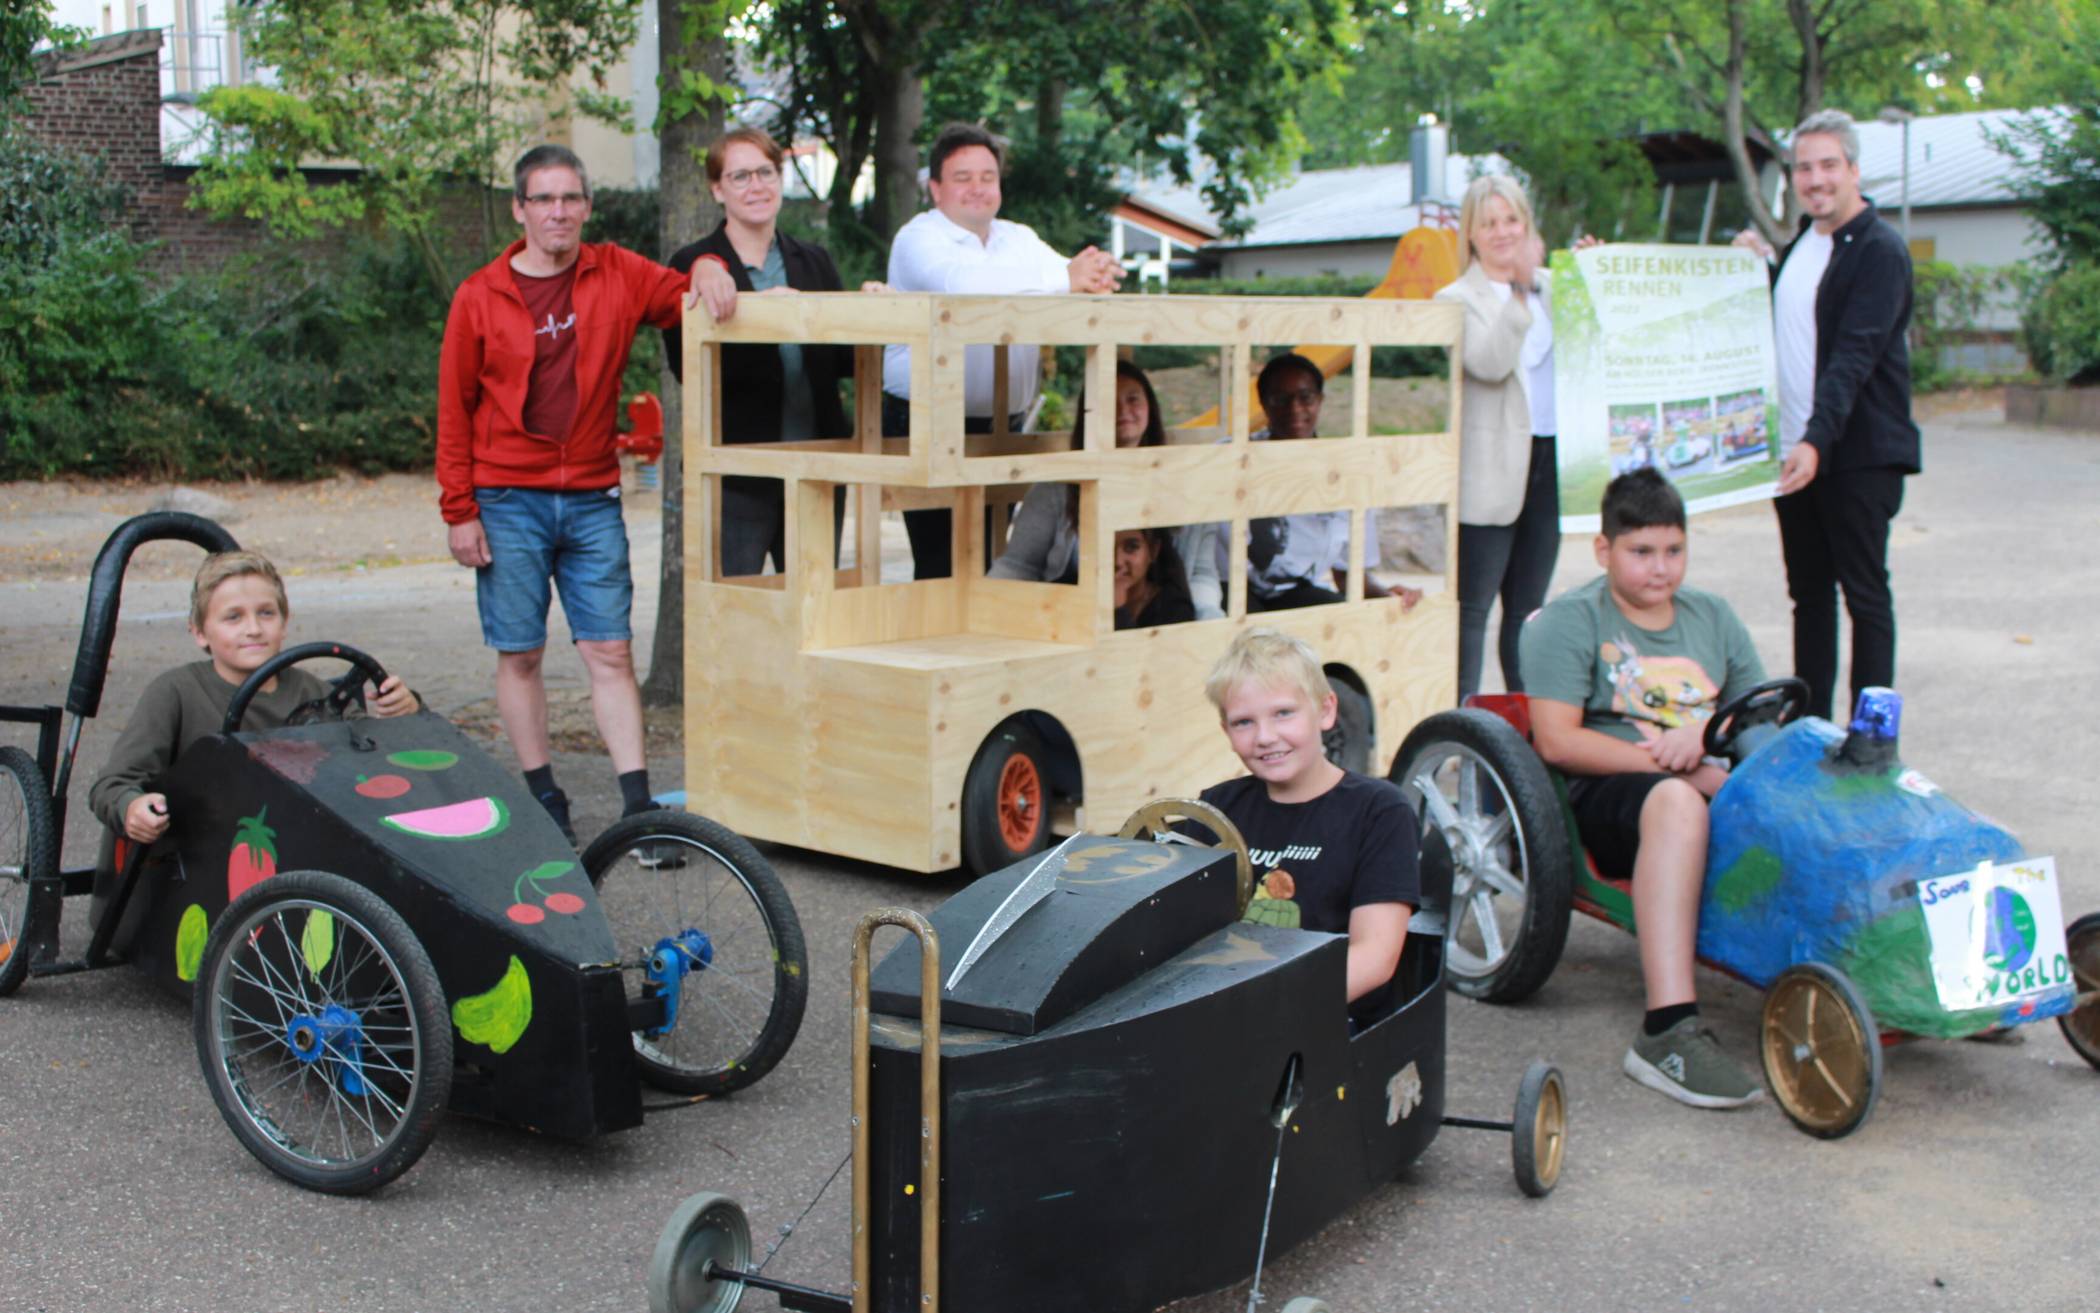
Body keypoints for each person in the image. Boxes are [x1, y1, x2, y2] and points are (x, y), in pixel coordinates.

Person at [436, 144, 709, 844]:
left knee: (609, 651)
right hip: (506, 498)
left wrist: (707, 265)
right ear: (520, 209)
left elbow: (685, 293)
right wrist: (459, 509)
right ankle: (543, 793)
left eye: (571, 199)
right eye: (544, 199)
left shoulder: (615, 271)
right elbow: (453, 408)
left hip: (591, 497)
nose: (559, 212)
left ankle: (638, 805)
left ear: (587, 206)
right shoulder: (479, 295)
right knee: (521, 652)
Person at [1518, 468, 1765, 1109]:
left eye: (1674, 550)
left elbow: (1759, 715)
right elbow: (1557, 741)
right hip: (1605, 796)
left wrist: (1707, 731)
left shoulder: (1712, 614)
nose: (1661, 569)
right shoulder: (1570, 622)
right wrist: (1673, 765)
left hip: (1701, 775)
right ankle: (1666, 1031)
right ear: (1604, 551)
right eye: (1642, 552)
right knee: (1680, 802)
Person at [87, 551, 419, 929]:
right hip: (208, 854)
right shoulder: (176, 692)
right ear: (199, 632)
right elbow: (112, 783)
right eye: (233, 617)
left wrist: (404, 712)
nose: (253, 629)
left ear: (284, 622)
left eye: (266, 613)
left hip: (306, 846)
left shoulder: (311, 689)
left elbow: (374, 758)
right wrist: (132, 807)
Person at [1733, 109, 1920, 722]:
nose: (1815, 179)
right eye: (1803, 168)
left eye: (1827, 165)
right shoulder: (1800, 249)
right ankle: (1809, 726)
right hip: (1796, 452)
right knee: (1807, 595)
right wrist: (1749, 268)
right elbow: (1787, 333)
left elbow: (1852, 358)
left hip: (1856, 453)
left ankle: (1871, 736)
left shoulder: (1879, 250)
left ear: (1853, 170)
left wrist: (1816, 440)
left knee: (1865, 596)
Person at [881, 123, 1123, 579]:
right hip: (926, 420)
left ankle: (980, 647)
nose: (977, 188)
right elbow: (968, 291)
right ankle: (942, 650)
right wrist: (1064, 280)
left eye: (987, 177)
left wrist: (1097, 270)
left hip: (1002, 424)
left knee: (995, 557)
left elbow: (1070, 278)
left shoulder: (1019, 239)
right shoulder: (919, 238)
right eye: (962, 177)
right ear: (935, 189)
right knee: (943, 561)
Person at [664, 126, 862, 576]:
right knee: (737, 619)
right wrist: (763, 319)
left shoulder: (814, 260)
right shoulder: (693, 264)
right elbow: (686, 366)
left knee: (812, 620)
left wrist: (869, 307)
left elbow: (843, 360)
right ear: (717, 189)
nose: (756, 186)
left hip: (815, 470)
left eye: (765, 172)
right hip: (736, 477)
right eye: (740, 177)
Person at [1198, 627, 1417, 1022]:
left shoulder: (1379, 811)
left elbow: (1374, 957)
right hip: (1231, 1013)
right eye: (1244, 722)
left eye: (1283, 713)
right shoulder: (1216, 808)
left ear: (1325, 710)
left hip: (1332, 1020)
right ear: (1226, 733)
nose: (1265, 737)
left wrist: (1272, 1009)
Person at [1436, 178, 1596, 699]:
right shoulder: (1456, 299)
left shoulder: (1555, 285)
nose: (1503, 232)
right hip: (1488, 474)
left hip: (1549, 462)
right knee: (1471, 612)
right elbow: (1487, 362)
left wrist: (1593, 277)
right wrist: (1522, 292)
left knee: (1527, 612)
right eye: (1489, 223)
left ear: (1528, 225)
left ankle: (1525, 732)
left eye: (1512, 220)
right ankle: (1460, 724)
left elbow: (1595, 344)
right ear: (1472, 235)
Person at [1187, 354, 1420, 614]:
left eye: (1305, 397)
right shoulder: (1228, 458)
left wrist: (1389, 597)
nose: (1295, 409)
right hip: (1228, 590)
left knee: (1340, 618)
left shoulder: (1346, 473)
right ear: (1263, 404)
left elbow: (1349, 578)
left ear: (1320, 400)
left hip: (1295, 594)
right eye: (1280, 399)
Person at [988, 360, 1164, 585]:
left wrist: (1210, 617)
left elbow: (1199, 572)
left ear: (1150, 407)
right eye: (1109, 401)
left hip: (1156, 616)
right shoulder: (1056, 488)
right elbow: (1017, 566)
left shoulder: (1175, 482)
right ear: (1090, 412)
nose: (1123, 410)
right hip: (1069, 614)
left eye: (1133, 399)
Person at [1113, 528, 1195, 630]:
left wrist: (1119, 611)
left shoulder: (1174, 608)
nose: (1118, 561)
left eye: (1132, 547)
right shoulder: (1089, 598)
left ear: (1153, 551)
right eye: (1108, 548)